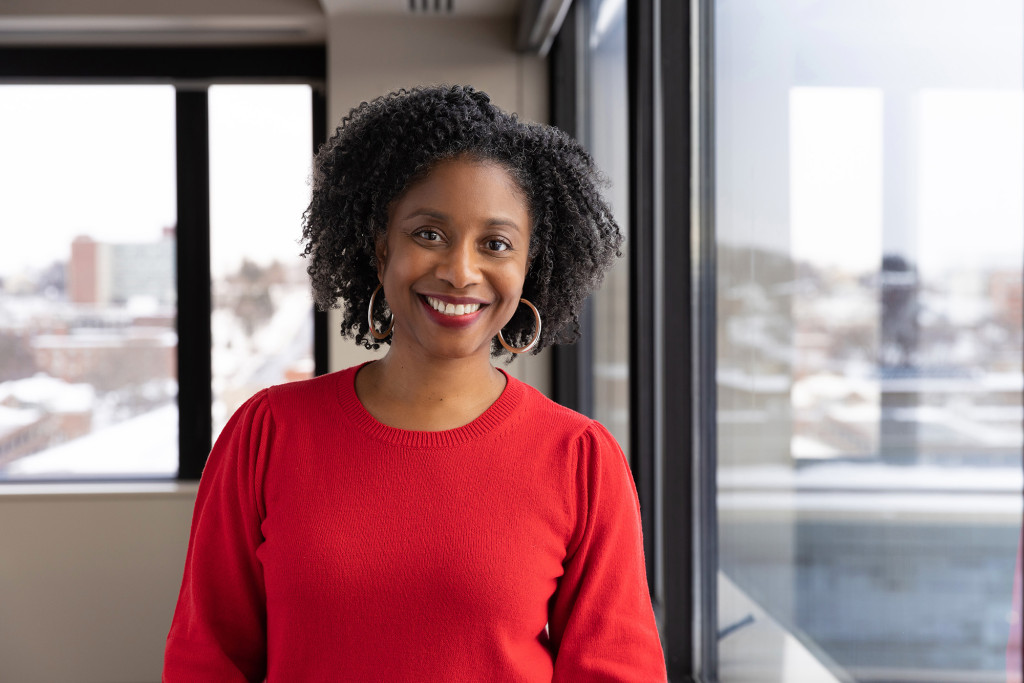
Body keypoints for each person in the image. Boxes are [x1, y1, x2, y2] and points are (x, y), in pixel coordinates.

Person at [163, 85, 667, 682]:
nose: (459, 271)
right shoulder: (267, 433)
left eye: (496, 244)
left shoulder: (581, 459)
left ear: (530, 266)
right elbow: (206, 662)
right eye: (428, 234)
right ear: (381, 252)